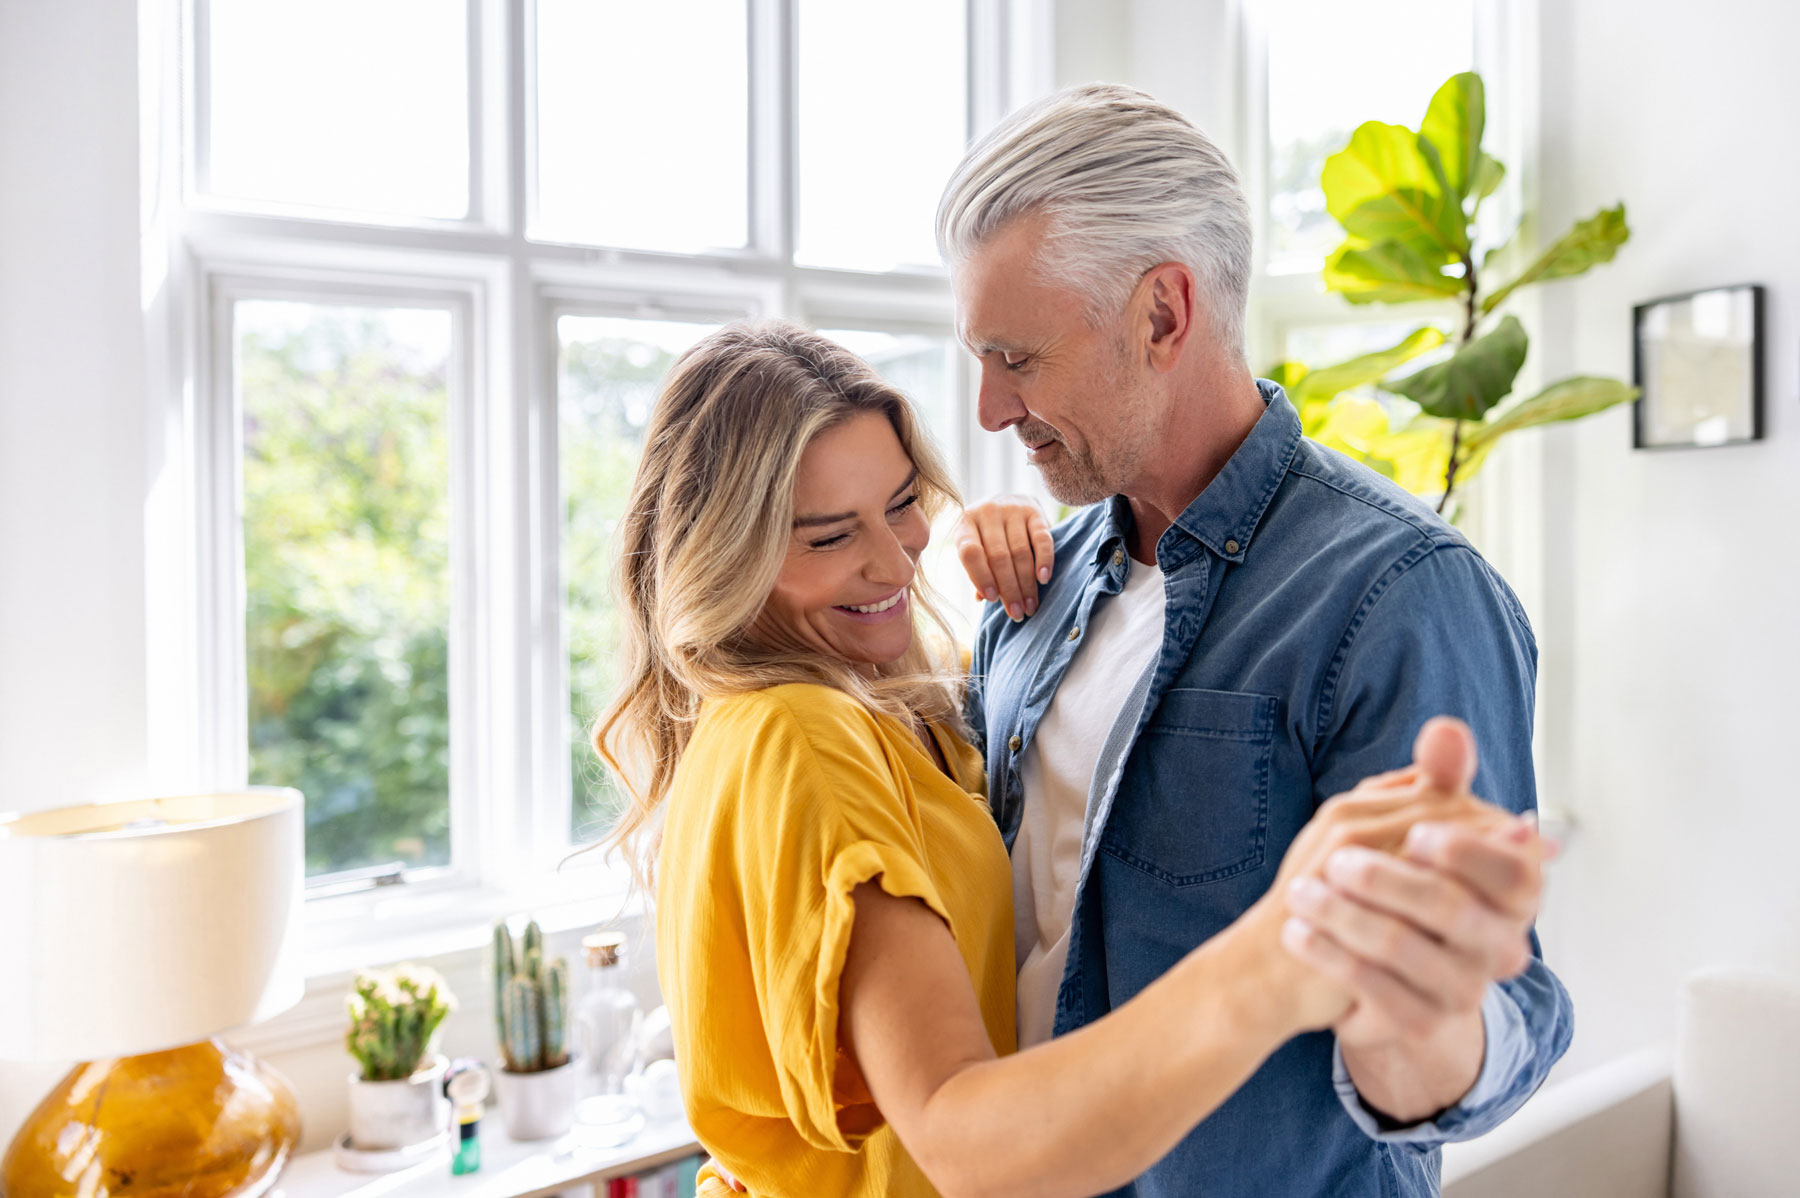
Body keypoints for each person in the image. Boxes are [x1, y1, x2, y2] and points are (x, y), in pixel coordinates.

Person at [592, 320, 1537, 1198]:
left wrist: (1000, 569)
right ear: (723, 554)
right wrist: (1275, 957)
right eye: (832, 535)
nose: (895, 564)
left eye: (902, 504)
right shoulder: (799, 736)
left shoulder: (826, 713)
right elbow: (960, 1137)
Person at [940, 83, 1573, 1196]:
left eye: (1019, 359)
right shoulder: (1032, 593)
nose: (990, 409)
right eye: (978, 358)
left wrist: (1412, 1017)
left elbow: (1494, 1024)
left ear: (1164, 314)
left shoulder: (1403, 594)